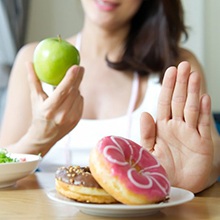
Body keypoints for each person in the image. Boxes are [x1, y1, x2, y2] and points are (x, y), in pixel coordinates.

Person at [0, 0, 219, 193]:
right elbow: (2, 166)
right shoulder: (31, 59)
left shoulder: (176, 67)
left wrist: (186, 181)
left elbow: (211, 159)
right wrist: (39, 137)